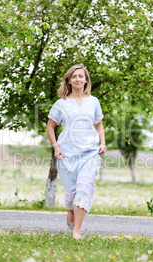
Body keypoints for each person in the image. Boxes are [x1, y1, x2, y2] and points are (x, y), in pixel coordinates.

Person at [47, 64, 105, 239]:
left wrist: (102, 143)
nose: (78, 79)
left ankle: (76, 231)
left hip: (90, 154)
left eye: (81, 76)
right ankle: (71, 210)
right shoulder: (61, 104)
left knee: (84, 188)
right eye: (74, 76)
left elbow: (99, 125)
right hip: (67, 156)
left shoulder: (94, 102)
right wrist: (56, 147)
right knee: (72, 195)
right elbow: (50, 127)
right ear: (69, 80)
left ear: (86, 79)